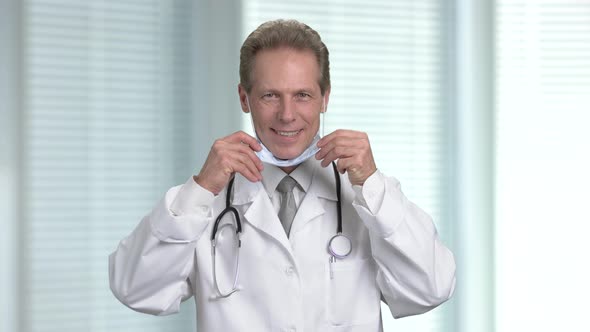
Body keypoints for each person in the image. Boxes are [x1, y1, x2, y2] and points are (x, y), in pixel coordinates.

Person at [109, 19, 456, 332]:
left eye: (302, 95)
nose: (287, 115)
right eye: (270, 95)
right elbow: (136, 290)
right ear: (244, 98)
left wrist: (372, 185)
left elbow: (430, 289)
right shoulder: (206, 202)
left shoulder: (368, 198)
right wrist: (200, 189)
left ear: (325, 98)